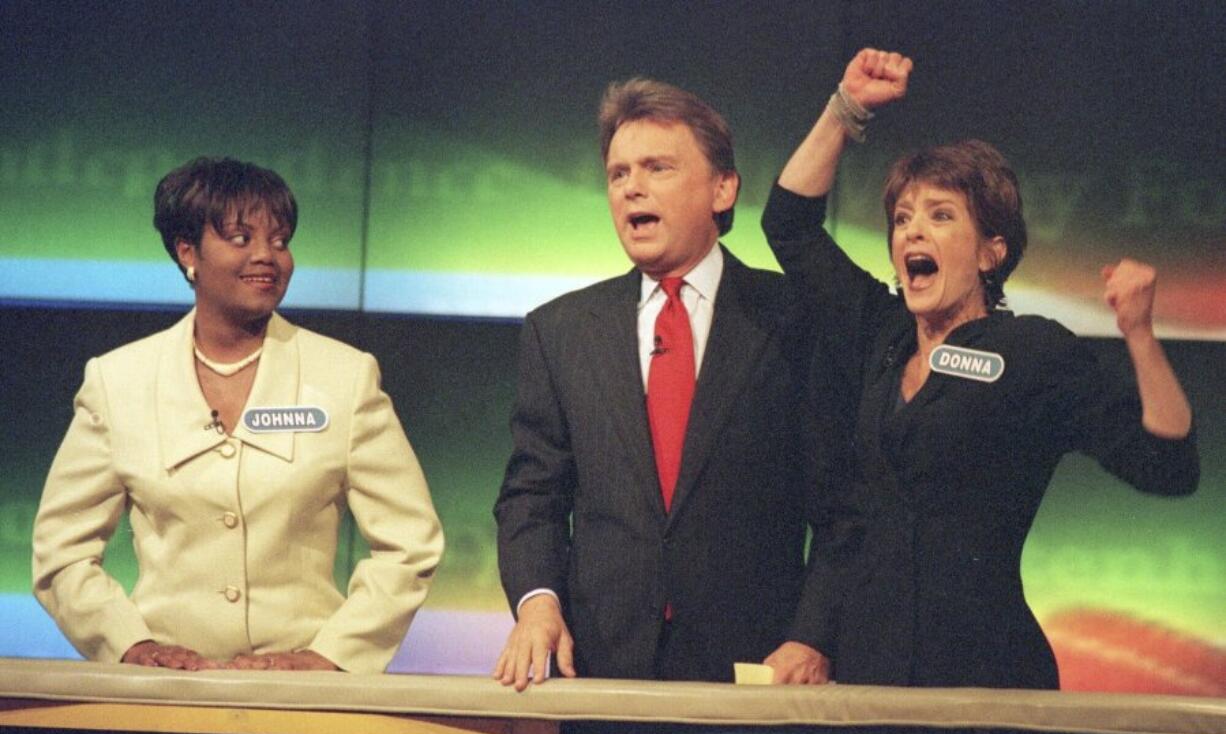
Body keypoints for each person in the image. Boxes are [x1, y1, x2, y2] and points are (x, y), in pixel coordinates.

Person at [761, 49, 1199, 689]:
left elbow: (1168, 464)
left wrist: (1139, 333)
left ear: (992, 252)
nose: (913, 233)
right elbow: (790, 226)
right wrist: (846, 109)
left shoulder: (1033, 353)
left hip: (988, 674)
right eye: (903, 218)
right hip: (868, 673)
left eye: (941, 216)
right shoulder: (880, 332)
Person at [31, 157, 443, 673]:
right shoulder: (119, 382)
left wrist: (332, 655)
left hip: (306, 701)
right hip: (162, 695)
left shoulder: (344, 376)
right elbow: (61, 552)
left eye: (280, 240)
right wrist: (129, 646)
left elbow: (410, 544)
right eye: (241, 238)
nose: (267, 257)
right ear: (188, 253)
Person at [493, 79, 812, 688]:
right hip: (600, 667)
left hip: (758, 668)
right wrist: (537, 603)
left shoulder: (793, 318)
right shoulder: (559, 331)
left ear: (723, 189)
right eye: (618, 174)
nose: (631, 187)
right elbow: (531, 495)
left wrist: (811, 636)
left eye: (657, 168)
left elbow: (841, 501)